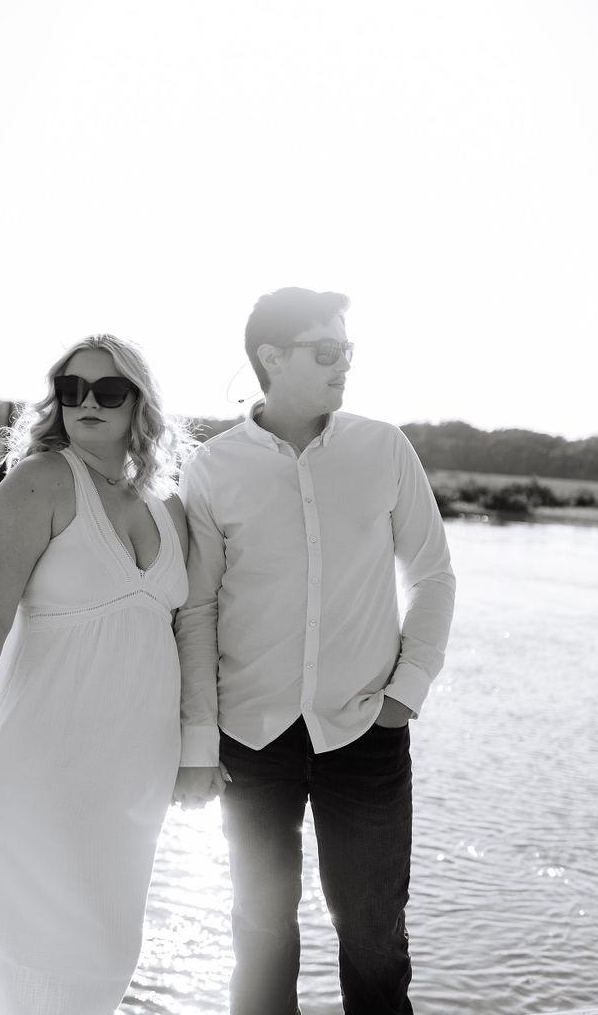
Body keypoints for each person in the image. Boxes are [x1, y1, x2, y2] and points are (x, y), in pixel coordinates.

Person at [0, 335, 191, 1015]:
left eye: (107, 390)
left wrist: (200, 749)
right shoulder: (38, 484)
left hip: (135, 770)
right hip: (41, 754)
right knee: (12, 932)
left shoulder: (170, 506)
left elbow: (189, 632)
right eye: (71, 389)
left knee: (107, 946)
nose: (86, 403)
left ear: (139, 402)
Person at [173, 288, 456, 1015]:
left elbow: (432, 575)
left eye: (347, 350)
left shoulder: (383, 447)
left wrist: (405, 694)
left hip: (365, 731)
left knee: (373, 936)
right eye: (327, 351)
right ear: (271, 358)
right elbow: (197, 609)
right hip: (249, 738)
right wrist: (198, 740)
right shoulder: (212, 468)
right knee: (260, 936)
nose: (344, 365)